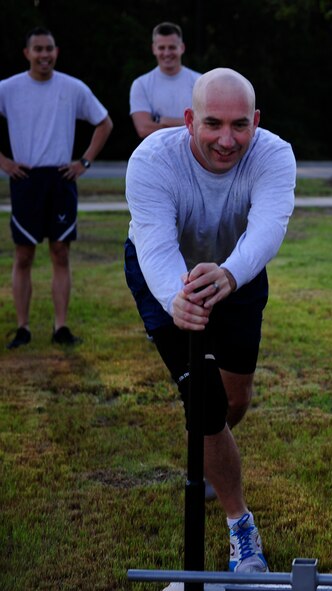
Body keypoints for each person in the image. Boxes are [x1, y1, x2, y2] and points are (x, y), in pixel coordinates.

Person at [123, 68, 296, 573]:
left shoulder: (274, 153)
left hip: (237, 270)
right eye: (213, 124)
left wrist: (229, 274)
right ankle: (241, 526)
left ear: (256, 120)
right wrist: (177, 300)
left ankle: (207, 451)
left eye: (240, 125)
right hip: (166, 278)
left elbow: (268, 227)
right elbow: (154, 244)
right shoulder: (152, 159)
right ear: (189, 120)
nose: (227, 139)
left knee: (236, 397)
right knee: (209, 403)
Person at [0, 27, 113, 349]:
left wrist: (84, 163)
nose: (44, 55)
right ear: (27, 53)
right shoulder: (9, 89)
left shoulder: (72, 87)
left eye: (49, 48)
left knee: (60, 253)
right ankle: (22, 327)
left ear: (56, 51)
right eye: (37, 49)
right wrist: (4, 162)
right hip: (26, 179)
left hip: (61, 179)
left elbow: (105, 123)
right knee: (23, 255)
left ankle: (60, 327)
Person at [129, 22, 201, 138]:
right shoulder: (141, 84)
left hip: (193, 154)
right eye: (161, 48)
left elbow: (209, 124)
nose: (167, 53)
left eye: (172, 47)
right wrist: (189, 122)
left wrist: (163, 122)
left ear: (182, 48)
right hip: (156, 154)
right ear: (154, 49)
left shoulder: (200, 81)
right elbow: (143, 129)